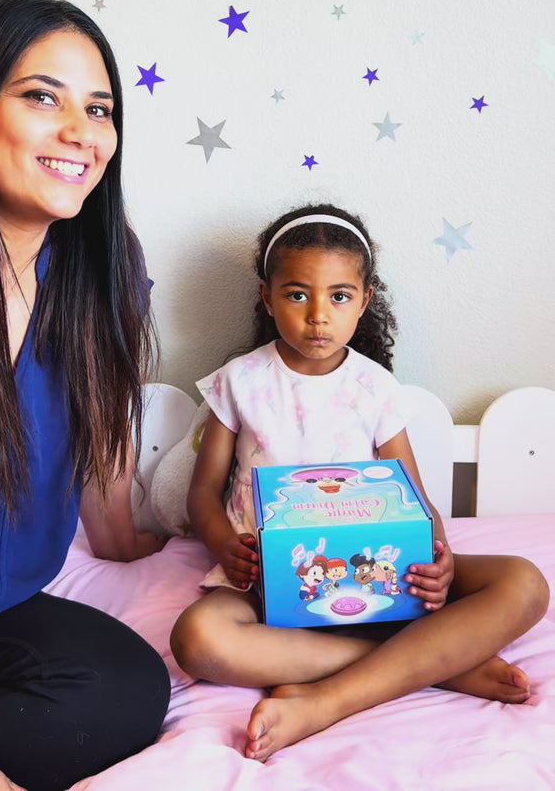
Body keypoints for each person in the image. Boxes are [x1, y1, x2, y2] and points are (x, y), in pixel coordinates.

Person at [170, 203, 550, 762]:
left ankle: (326, 700)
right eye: (297, 295)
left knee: (526, 583)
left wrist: (439, 559)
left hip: (377, 576)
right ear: (267, 297)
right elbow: (203, 492)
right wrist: (225, 545)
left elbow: (415, 499)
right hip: (265, 584)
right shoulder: (241, 381)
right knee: (197, 639)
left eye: (339, 296)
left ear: (365, 299)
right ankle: (436, 667)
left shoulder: (375, 388)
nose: (318, 316)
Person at [0, 0, 171, 791]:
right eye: (43, 97)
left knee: (125, 690)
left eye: (99, 108)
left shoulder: (104, 268)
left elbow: (99, 423)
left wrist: (121, 540)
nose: (82, 132)